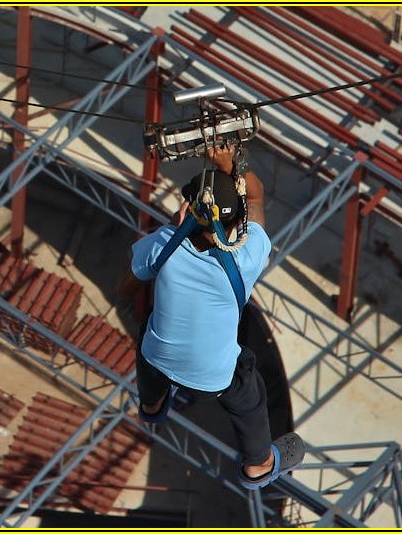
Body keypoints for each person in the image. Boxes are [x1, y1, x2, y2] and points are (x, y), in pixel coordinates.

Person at [117, 145, 304, 490]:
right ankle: (258, 464)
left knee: (149, 334)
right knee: (248, 391)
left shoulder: (164, 243)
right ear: (236, 222)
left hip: (158, 361)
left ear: (186, 208)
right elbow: (257, 198)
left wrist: (172, 231)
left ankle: (152, 404)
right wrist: (231, 163)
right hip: (212, 380)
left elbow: (128, 283)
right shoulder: (245, 260)